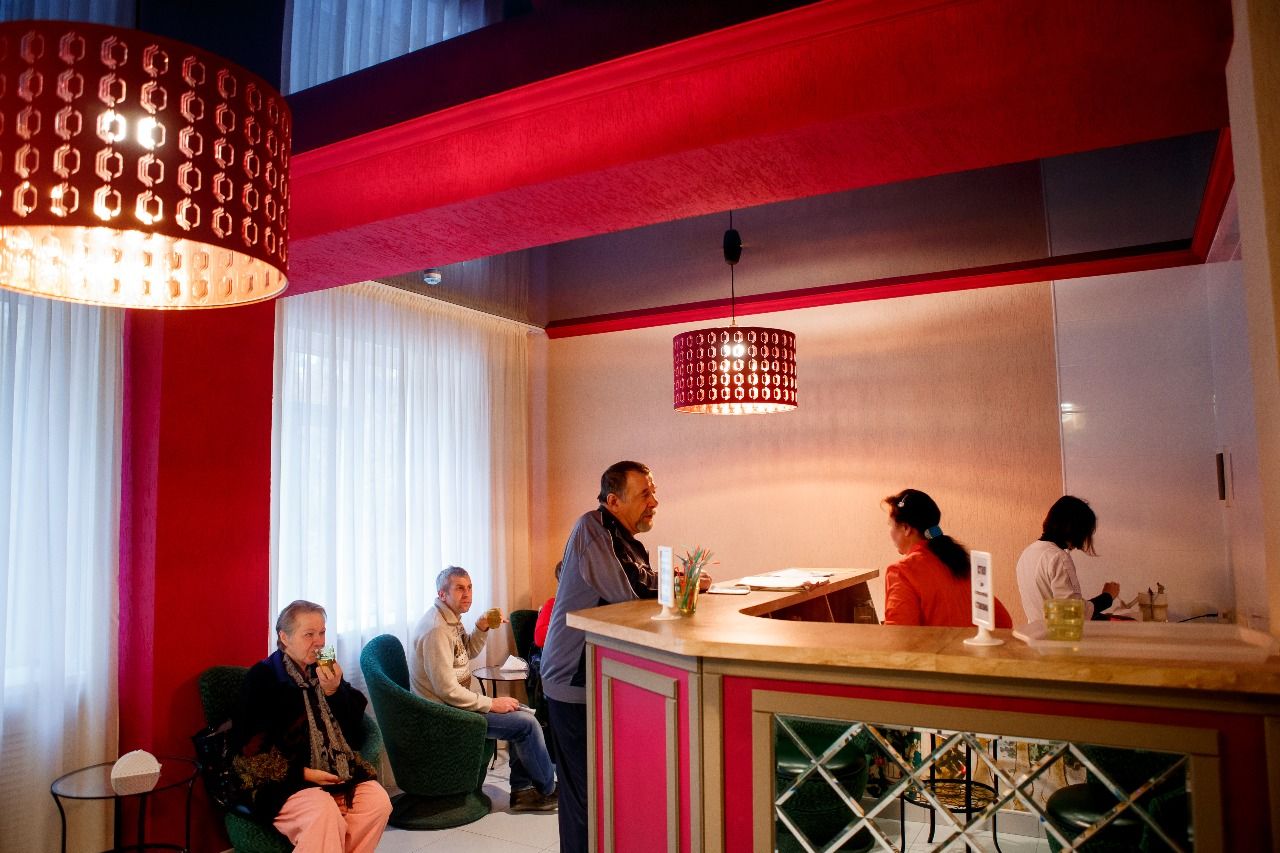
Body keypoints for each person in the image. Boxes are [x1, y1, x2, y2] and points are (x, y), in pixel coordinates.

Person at [542, 461, 683, 853]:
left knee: (604, 791)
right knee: (584, 795)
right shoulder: (593, 528)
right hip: (572, 678)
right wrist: (677, 583)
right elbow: (631, 590)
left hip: (601, 677)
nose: (654, 502)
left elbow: (639, 587)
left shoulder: (623, 538)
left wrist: (674, 582)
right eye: (645, 494)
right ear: (613, 501)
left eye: (654, 493)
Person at [230, 600, 391, 853]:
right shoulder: (263, 678)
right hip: (283, 782)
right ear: (284, 637)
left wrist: (334, 692)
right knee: (322, 812)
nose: (319, 642)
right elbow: (249, 750)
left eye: (322, 633)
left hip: (334, 773)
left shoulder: (324, 668)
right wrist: (303, 773)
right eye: (309, 634)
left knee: (378, 802)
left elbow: (353, 731)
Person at [410, 566, 558, 812]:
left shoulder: (449, 618)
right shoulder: (437, 630)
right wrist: (491, 703)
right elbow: (447, 690)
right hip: (444, 714)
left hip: (454, 705)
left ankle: (523, 791)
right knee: (525, 724)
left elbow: (466, 652)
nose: (467, 594)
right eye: (459, 588)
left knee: (521, 712)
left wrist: (481, 627)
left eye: (469, 587)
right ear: (442, 594)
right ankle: (547, 789)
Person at [881, 488, 1013, 628]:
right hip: (975, 642)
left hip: (936, 644)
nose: (890, 532)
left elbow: (898, 634)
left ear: (906, 528)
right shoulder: (957, 560)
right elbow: (1003, 622)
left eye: (890, 525)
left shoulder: (902, 572)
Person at [1016, 495, 1119, 623]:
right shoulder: (1058, 557)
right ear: (1076, 529)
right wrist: (1107, 597)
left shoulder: (1027, 553)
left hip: (1035, 632)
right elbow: (1073, 613)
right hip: (1057, 634)